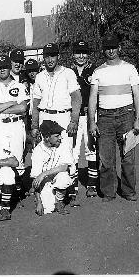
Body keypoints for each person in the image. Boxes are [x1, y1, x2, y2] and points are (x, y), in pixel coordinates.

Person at [88, 35, 139, 202]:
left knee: (128, 157)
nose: (110, 51)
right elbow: (92, 98)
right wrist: (92, 121)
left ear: (119, 48)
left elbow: (137, 95)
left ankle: (128, 191)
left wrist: (138, 118)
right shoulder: (98, 71)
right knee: (106, 158)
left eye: (113, 47)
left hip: (126, 115)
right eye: (107, 48)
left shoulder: (130, 69)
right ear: (103, 50)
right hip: (104, 117)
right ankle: (108, 192)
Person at [31, 42, 81, 206]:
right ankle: (46, 189)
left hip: (63, 116)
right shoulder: (39, 76)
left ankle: (71, 191)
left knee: (68, 152)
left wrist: (74, 120)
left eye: (53, 55)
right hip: (45, 115)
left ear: (58, 56)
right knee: (45, 153)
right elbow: (36, 103)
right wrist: (34, 125)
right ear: (43, 58)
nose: (50, 59)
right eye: (47, 56)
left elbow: (76, 98)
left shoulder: (68, 73)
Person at [0, 54, 29, 206]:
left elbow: (23, 108)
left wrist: (1, 107)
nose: (2, 69)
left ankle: (16, 192)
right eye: (0, 67)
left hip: (16, 124)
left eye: (5, 66)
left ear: (10, 68)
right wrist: (10, 104)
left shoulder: (19, 86)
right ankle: (3, 190)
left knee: (18, 159)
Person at [70, 40, 99, 199]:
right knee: (73, 151)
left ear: (88, 54)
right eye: (78, 52)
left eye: (84, 52)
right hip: (73, 117)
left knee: (91, 149)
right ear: (73, 54)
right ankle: (72, 186)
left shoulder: (94, 71)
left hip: (90, 116)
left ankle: (92, 185)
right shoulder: (68, 72)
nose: (81, 56)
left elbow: (98, 94)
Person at [31, 120, 75, 216]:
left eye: (59, 135)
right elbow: (36, 180)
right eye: (56, 136)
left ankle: (59, 201)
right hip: (45, 183)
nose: (60, 137)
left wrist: (44, 173)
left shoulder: (64, 145)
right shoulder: (38, 151)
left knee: (64, 178)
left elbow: (64, 167)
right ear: (47, 137)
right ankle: (52, 197)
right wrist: (38, 202)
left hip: (58, 177)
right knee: (48, 209)